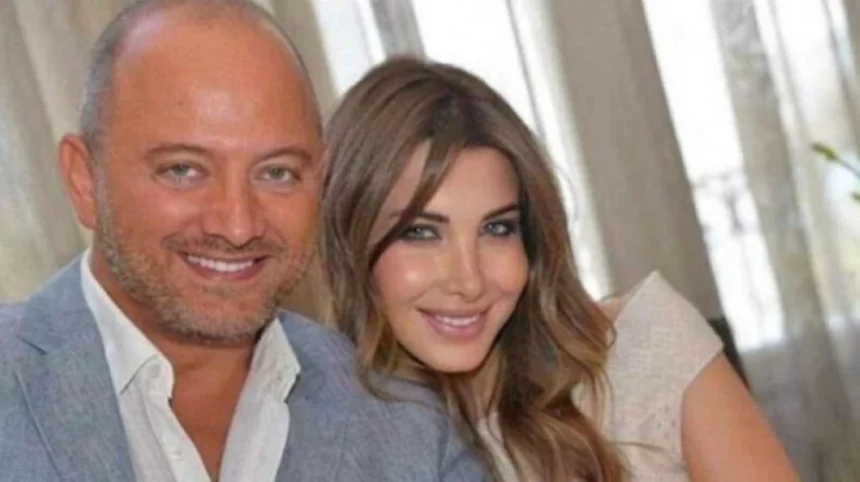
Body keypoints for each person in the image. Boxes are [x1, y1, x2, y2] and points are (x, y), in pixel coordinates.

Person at [0, 3, 485, 481]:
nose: (237, 226)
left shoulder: (413, 434)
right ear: (85, 180)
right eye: (183, 170)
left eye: (277, 173)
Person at [320, 57, 799, 481]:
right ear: (350, 241)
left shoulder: (649, 351)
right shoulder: (337, 449)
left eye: (497, 228)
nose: (469, 280)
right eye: (421, 232)